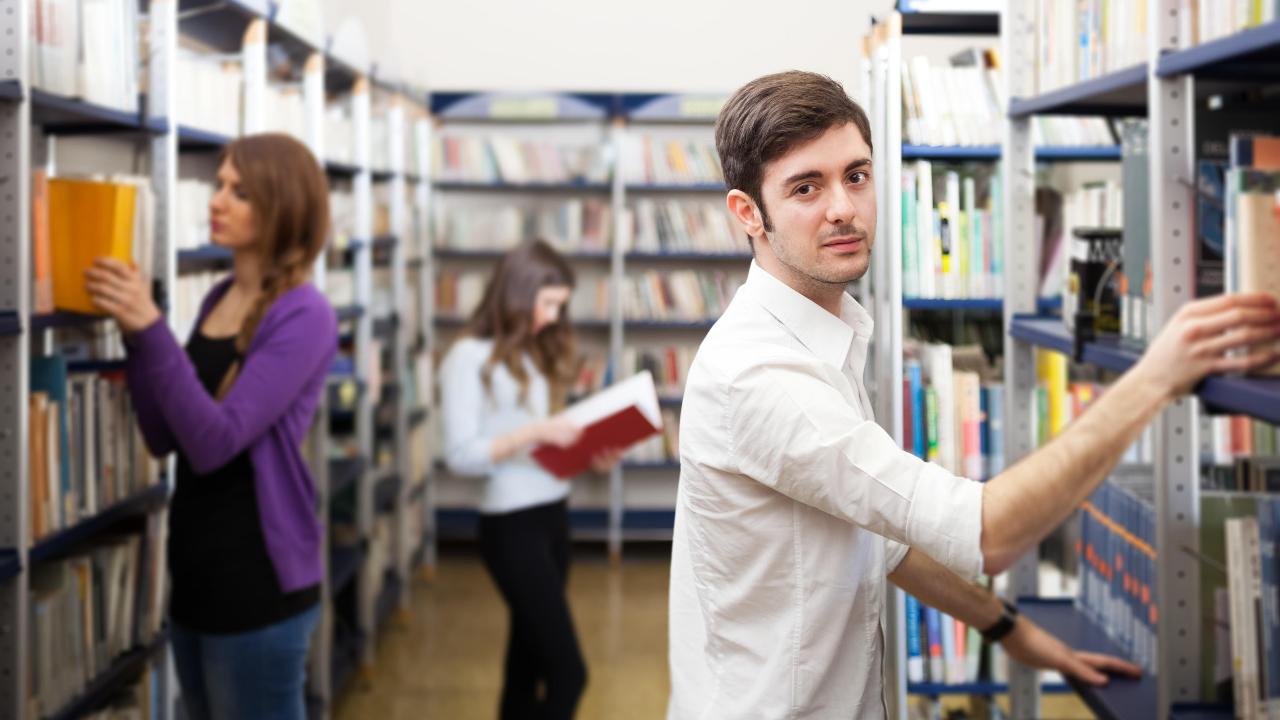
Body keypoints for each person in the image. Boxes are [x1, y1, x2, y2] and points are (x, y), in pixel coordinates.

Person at [666, 70, 1280, 719]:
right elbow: (990, 532)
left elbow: (884, 539)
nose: (843, 207)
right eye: (805, 187)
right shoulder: (761, 374)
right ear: (748, 213)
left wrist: (1012, 631)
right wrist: (1156, 378)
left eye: (856, 175)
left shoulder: (822, 332)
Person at [86, 133, 337, 720]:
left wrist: (153, 332)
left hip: (258, 581)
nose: (217, 200)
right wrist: (135, 336)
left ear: (282, 208)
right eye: (220, 185)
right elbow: (163, 434)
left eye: (239, 192)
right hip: (197, 575)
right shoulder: (220, 297)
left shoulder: (304, 312)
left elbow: (214, 444)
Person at [439, 239, 623, 720]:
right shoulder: (467, 357)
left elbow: (538, 452)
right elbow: (460, 455)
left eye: (560, 307)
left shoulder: (533, 351)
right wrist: (537, 430)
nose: (552, 318)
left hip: (552, 517)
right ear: (517, 294)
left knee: (525, 664)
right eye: (547, 305)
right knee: (569, 672)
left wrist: (587, 456)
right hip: (510, 527)